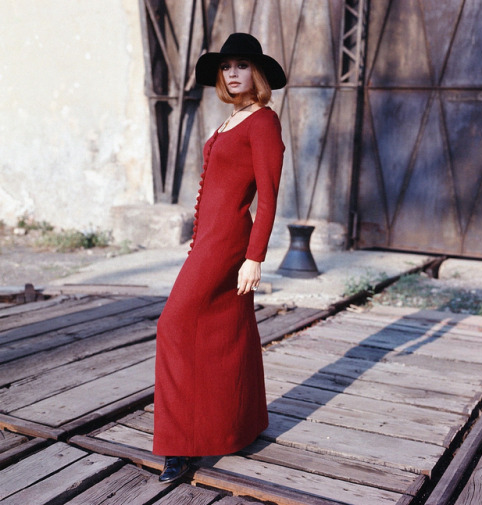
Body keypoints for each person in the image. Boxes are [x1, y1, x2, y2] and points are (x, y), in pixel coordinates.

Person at [153, 32, 287, 483]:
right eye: (227, 66)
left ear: (258, 73)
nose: (232, 73)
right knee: (228, 333)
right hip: (209, 240)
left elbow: (266, 198)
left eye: (242, 65)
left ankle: (179, 445)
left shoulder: (263, 122)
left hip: (228, 245)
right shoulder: (232, 120)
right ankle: (241, 425)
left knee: (173, 325)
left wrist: (255, 258)